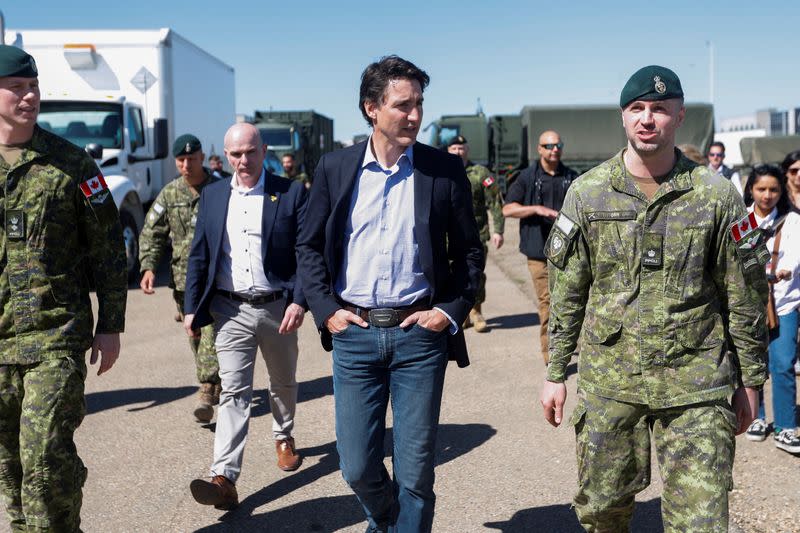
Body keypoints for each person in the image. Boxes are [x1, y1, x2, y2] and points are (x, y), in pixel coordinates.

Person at [539, 65, 769, 531]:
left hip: (697, 381)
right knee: (604, 512)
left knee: (702, 520)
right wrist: (555, 372)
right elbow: (567, 292)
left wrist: (751, 379)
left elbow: (744, 294)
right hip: (610, 381)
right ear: (623, 117)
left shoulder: (717, 195)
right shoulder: (587, 194)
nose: (648, 119)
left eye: (659, 110)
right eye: (637, 109)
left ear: (679, 117)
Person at [296, 55, 483, 533]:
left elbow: (468, 252)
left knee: (416, 473)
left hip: (419, 337)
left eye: (419, 104)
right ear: (371, 109)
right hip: (354, 336)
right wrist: (325, 311)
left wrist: (449, 311)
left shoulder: (443, 171)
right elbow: (309, 245)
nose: (415, 115)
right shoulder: (336, 168)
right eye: (403, 105)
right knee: (356, 466)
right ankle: (388, 522)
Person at [0, 45, 127, 530]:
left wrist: (110, 324)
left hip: (56, 336)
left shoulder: (72, 165)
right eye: (16, 88)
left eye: (33, 87)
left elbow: (108, 247)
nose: (29, 96)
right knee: (11, 468)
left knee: (45, 458)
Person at [184, 123, 308, 510]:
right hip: (229, 308)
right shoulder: (213, 194)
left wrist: (298, 301)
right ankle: (224, 477)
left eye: (250, 152)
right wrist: (191, 306)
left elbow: (308, 252)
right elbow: (200, 253)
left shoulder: (289, 193)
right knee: (234, 391)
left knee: (282, 381)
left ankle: (283, 435)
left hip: (277, 306)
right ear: (225, 153)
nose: (242, 161)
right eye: (235, 154)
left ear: (263, 150)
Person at [139, 134, 221, 423]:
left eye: (192, 159)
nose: (187, 165)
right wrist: (148, 267)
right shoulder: (170, 194)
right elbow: (152, 232)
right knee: (195, 333)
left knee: (211, 329)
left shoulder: (221, 188)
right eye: (181, 160)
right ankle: (212, 380)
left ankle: (208, 388)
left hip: (217, 278)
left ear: (202, 158)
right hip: (183, 279)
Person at [502, 130, 577, 364]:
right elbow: (508, 209)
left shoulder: (571, 177)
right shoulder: (526, 177)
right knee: (547, 301)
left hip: (568, 251)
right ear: (540, 149)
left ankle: (569, 341)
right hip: (538, 251)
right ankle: (551, 354)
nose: (554, 149)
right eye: (549, 145)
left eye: (558, 145)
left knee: (570, 300)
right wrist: (536, 209)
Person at [740, 165, 800, 454]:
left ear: (782, 192)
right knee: (754, 364)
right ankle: (757, 418)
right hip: (749, 305)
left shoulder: (792, 222)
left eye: (774, 190)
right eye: (761, 189)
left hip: (784, 303)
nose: (767, 195)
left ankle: (786, 426)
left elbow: (796, 257)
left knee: (783, 364)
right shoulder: (741, 221)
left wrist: (785, 270)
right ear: (751, 189)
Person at [447, 134, 504, 332]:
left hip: (477, 235)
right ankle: (460, 312)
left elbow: (495, 202)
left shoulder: (480, 173)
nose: (458, 152)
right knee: (452, 275)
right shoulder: (442, 171)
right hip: (448, 236)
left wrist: (499, 231)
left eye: (461, 148)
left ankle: (476, 311)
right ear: (448, 151)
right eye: (454, 148)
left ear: (467, 150)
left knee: (476, 274)